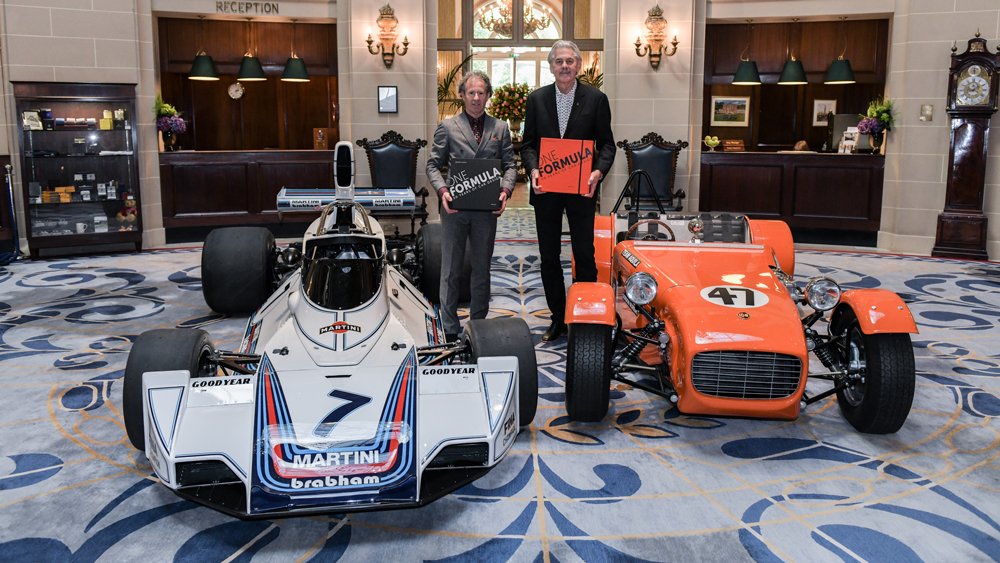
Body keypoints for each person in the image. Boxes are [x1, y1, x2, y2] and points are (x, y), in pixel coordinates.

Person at [520, 40, 615, 342]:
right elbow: (528, 145)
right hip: (547, 190)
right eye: (559, 61)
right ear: (551, 66)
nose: (564, 66)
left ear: (578, 65)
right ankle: (558, 318)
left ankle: (585, 318)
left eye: (569, 61)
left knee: (584, 255)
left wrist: (598, 172)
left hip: (580, 191)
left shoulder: (596, 99)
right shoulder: (536, 100)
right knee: (548, 257)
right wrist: (534, 170)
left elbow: (608, 145)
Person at [426, 70, 517, 342]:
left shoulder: (500, 128)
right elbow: (432, 164)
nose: (476, 98)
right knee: (451, 269)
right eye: (471, 93)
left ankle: (478, 325)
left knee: (482, 269)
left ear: (488, 95)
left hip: (486, 211)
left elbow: (511, 166)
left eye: (481, 93)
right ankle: (450, 327)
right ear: (462, 95)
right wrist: (442, 191)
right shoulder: (448, 127)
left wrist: (505, 191)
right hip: (455, 209)